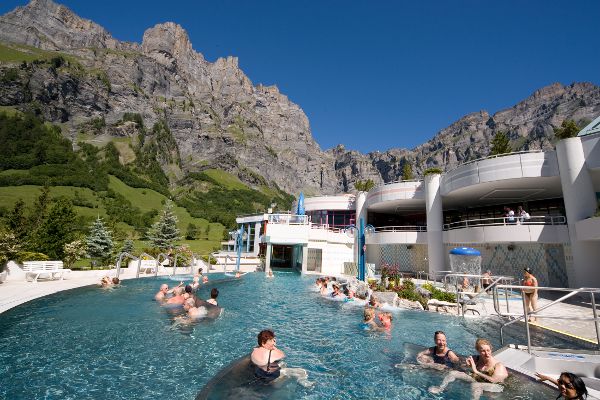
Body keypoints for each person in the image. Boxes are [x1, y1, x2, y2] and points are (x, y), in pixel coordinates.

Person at [429, 338, 506, 399]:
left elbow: (494, 381)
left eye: (488, 350)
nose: (486, 353)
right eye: (483, 351)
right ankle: (441, 388)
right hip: (478, 380)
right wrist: (467, 366)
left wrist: (476, 371)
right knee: (453, 373)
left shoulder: (498, 365)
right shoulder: (476, 358)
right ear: (478, 351)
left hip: (496, 387)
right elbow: (462, 367)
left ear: (491, 349)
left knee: (475, 385)